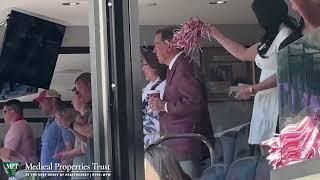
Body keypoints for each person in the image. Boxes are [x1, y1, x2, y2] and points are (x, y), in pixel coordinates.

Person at [208, 0, 299, 148]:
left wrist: (252, 89)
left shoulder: (285, 34)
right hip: (265, 105)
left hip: (280, 109)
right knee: (266, 158)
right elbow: (243, 53)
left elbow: (287, 73)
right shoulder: (272, 37)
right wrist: (215, 34)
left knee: (277, 161)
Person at [150, 26, 214, 178]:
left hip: (187, 145)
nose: (154, 51)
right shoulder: (175, 67)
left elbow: (194, 103)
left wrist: (164, 105)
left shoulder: (184, 66)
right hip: (178, 146)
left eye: (157, 45)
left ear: (169, 45)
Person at [34, 89, 75, 176]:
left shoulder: (63, 117)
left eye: (42, 101)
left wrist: (61, 172)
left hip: (56, 174)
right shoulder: (51, 120)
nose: (39, 106)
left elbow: (70, 147)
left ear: (53, 100)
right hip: (49, 174)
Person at [59, 73, 94, 166]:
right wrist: (69, 125)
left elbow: (93, 132)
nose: (79, 94)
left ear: (90, 85)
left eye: (79, 90)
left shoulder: (94, 111)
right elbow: (86, 142)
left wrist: (71, 124)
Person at [0, 99, 37, 179]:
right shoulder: (23, 125)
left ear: (12, 112)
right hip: (22, 172)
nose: (3, 115)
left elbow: (8, 153)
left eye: (5, 112)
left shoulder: (17, 126)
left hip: (21, 173)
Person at [141, 48, 167, 148]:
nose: (143, 69)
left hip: (157, 144)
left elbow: (156, 121)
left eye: (145, 65)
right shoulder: (149, 87)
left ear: (154, 66)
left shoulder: (163, 87)